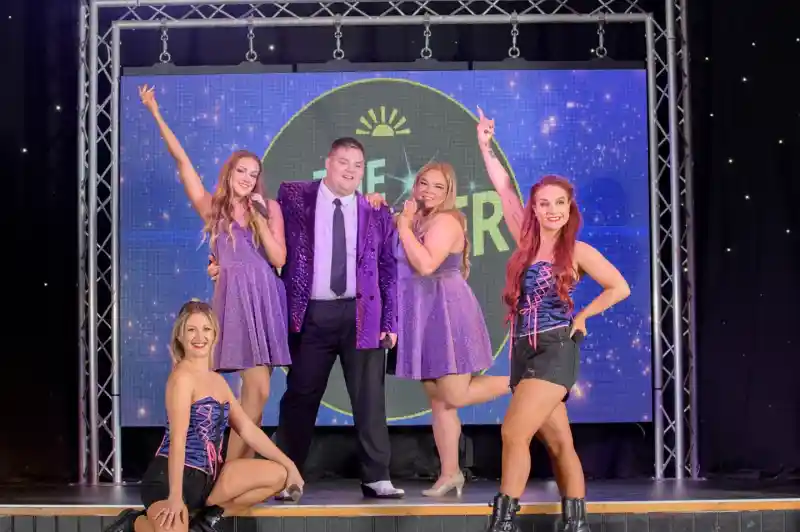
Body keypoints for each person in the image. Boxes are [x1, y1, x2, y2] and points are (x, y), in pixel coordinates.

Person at [208, 137, 403, 500]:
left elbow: (389, 269)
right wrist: (221, 262)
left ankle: (377, 476)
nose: (350, 170)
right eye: (343, 161)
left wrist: (390, 321)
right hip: (312, 311)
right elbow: (259, 240)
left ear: (365, 170)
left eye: (358, 164)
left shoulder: (376, 210)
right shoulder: (294, 197)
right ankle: (287, 474)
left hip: (363, 313)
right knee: (300, 396)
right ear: (327, 163)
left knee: (370, 397)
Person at [476, 108, 631, 532]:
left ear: (569, 207)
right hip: (522, 351)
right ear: (535, 208)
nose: (552, 210)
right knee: (561, 444)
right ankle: (576, 523)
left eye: (559, 203)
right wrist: (485, 146)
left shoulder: (578, 252)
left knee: (512, 433)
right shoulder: (523, 241)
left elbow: (620, 288)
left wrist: (583, 314)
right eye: (544, 204)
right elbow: (503, 186)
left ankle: (503, 522)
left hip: (556, 350)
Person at [139, 85, 291, 462]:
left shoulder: (269, 208)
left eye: (254, 174)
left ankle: (232, 474)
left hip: (264, 298)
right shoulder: (213, 211)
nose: (247, 178)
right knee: (222, 395)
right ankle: (219, 473)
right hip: (232, 300)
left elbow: (279, 258)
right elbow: (183, 163)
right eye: (242, 171)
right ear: (230, 172)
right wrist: (156, 113)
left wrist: (260, 216)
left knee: (257, 395)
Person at [364, 162, 510, 497]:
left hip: (447, 311)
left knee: (454, 394)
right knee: (439, 400)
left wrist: (401, 225)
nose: (428, 191)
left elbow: (427, 263)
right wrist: (376, 206)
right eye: (423, 183)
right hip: (420, 313)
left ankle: (528, 381)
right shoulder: (416, 217)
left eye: (437, 187)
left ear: (449, 193)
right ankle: (450, 473)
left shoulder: (446, 220)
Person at [105, 300, 303, 532]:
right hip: (170, 478)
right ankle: (134, 523)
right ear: (180, 335)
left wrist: (290, 465)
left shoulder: (218, 381)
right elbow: (178, 440)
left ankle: (206, 519)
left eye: (206, 329)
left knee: (278, 475)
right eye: (192, 330)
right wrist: (176, 497)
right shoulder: (182, 379)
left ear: (215, 334)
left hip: (210, 479)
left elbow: (248, 430)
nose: (200, 337)